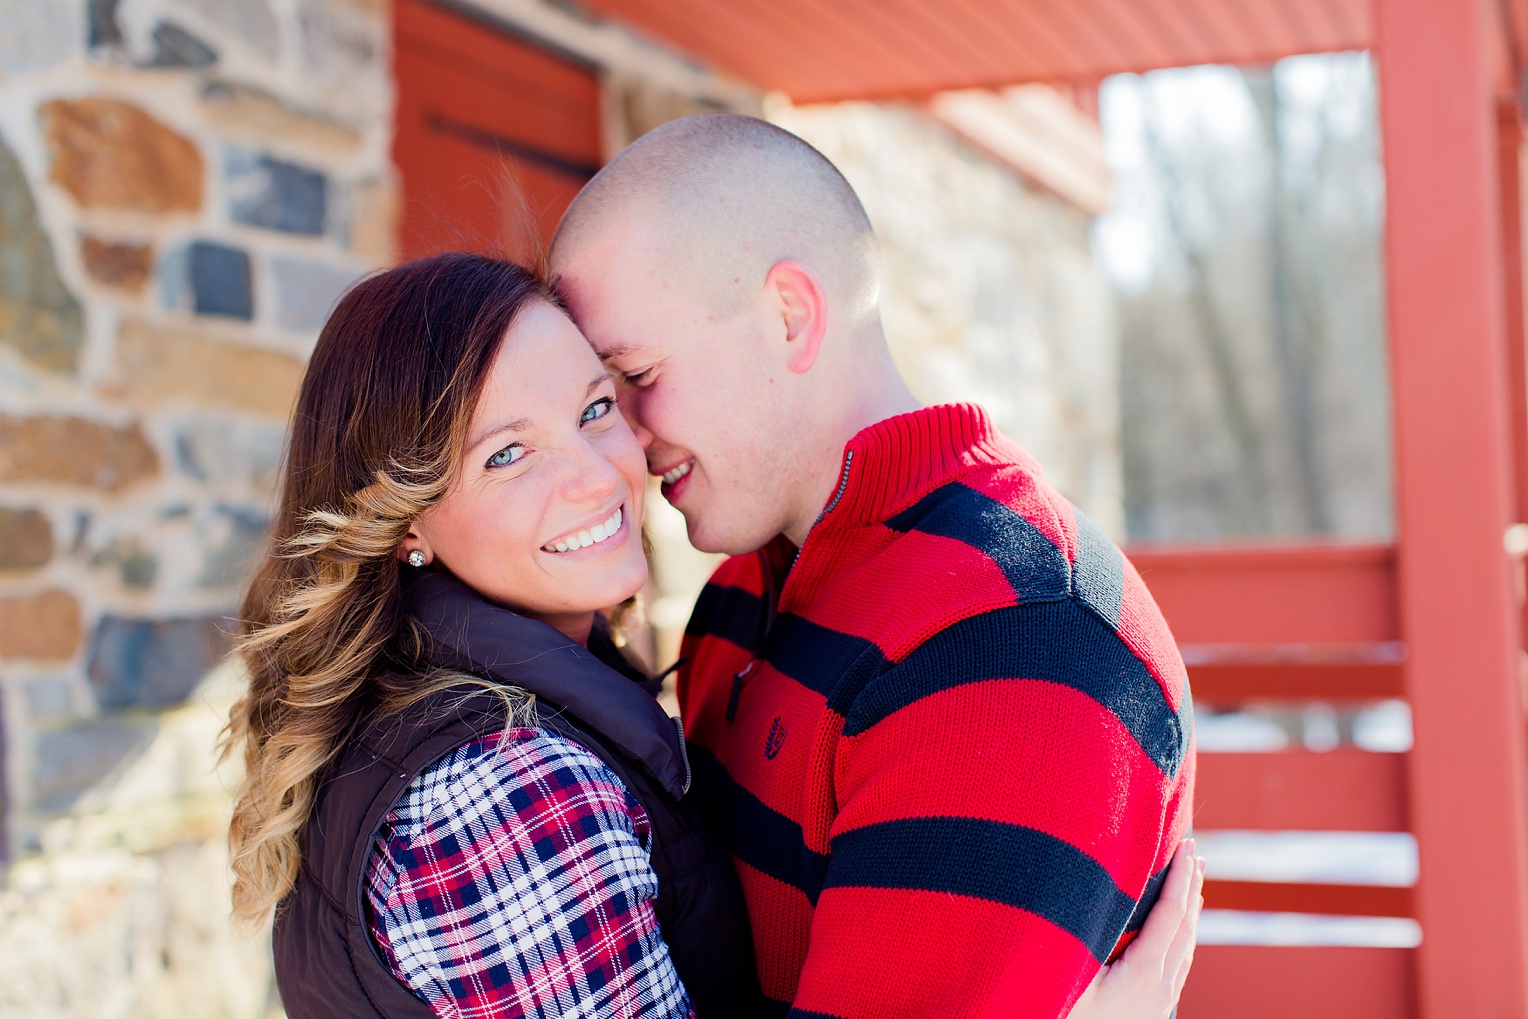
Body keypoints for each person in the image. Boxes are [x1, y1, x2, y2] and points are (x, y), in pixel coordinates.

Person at [223, 251, 1199, 1019]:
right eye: (507, 451)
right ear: (407, 523)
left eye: (597, 405)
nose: (598, 473)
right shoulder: (505, 792)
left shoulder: (500, 697)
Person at [549, 114, 1199, 1018]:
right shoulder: (740, 593)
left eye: (636, 374)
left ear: (791, 316)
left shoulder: (1013, 640)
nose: (620, 435)